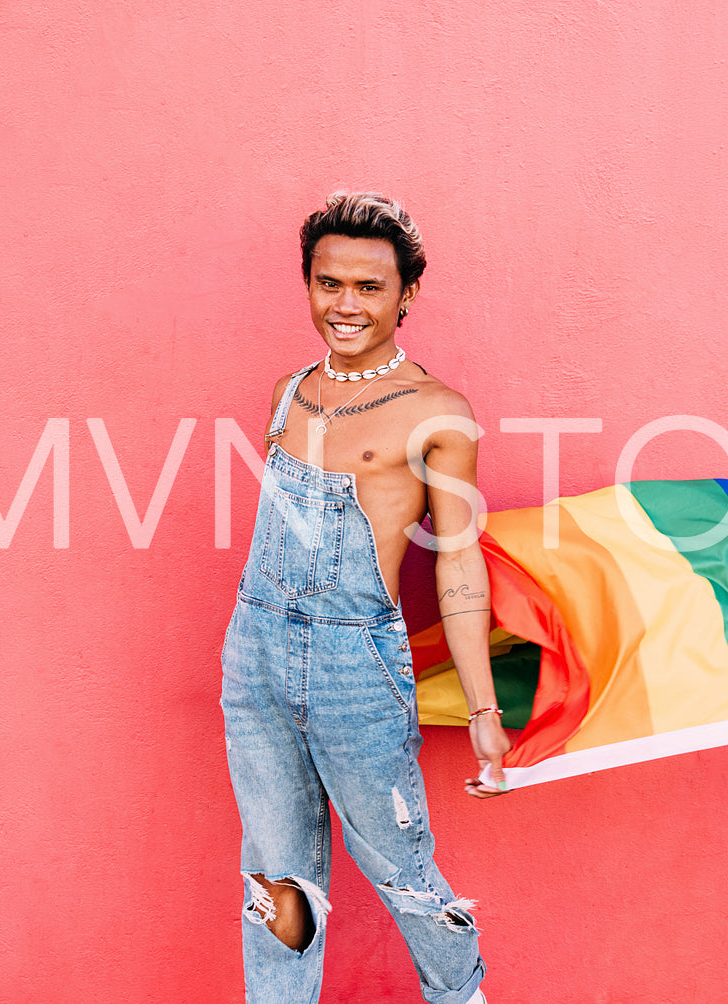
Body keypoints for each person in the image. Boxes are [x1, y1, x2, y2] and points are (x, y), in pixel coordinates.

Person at [220, 191, 511, 1004]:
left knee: (402, 872)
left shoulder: (438, 414)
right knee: (273, 874)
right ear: (309, 285)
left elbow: (456, 564)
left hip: (356, 664)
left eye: (368, 288)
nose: (345, 306)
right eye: (328, 284)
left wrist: (483, 712)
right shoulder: (287, 392)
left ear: (405, 294)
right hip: (256, 654)